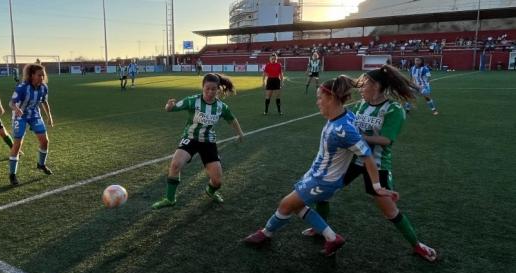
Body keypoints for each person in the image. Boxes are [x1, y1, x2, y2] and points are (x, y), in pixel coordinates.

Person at [244, 76, 398, 256]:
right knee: (297, 205)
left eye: (320, 98)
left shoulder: (343, 129)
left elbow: (367, 156)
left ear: (332, 98)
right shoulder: (345, 115)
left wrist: (377, 187)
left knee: (285, 204)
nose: (317, 102)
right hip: (318, 174)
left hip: (323, 181)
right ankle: (331, 238)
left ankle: (265, 233)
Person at [302, 65, 438, 262]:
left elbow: (386, 140)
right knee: (324, 191)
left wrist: (358, 138)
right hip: (353, 160)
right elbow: (351, 126)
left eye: (365, 85)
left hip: (377, 163)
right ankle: (319, 228)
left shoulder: (393, 109)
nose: (361, 89)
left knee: (389, 210)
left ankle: (417, 245)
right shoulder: (361, 106)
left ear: (376, 87)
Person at [152, 73, 244, 209]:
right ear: (202, 87)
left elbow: (231, 119)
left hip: (208, 143)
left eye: (213, 89)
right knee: (175, 164)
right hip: (190, 138)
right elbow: (172, 108)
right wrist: (169, 106)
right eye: (207, 88)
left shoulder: (221, 107)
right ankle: (170, 199)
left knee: (217, 181)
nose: (210, 92)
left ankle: (210, 191)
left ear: (218, 89)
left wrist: (240, 133)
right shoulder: (193, 100)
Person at [8, 63, 54, 186]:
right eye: (39, 75)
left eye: (43, 75)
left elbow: (44, 102)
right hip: (20, 116)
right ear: (32, 75)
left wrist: (49, 117)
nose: (42, 78)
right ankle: (12, 174)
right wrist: (16, 109)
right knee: (17, 145)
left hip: (34, 115)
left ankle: (41, 164)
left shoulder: (44, 88)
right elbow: (11, 103)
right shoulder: (22, 87)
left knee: (45, 141)